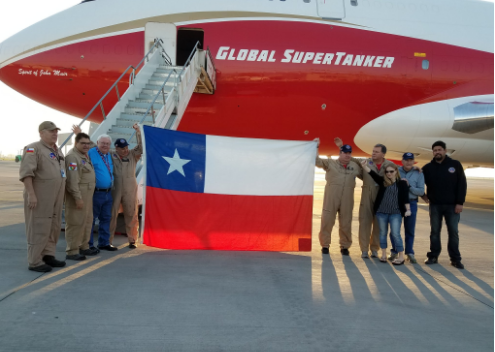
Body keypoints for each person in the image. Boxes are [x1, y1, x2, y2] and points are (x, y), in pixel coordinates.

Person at [334, 138, 394, 258]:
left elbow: (399, 173)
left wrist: (417, 169)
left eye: (376, 152)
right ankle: (364, 250)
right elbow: (351, 159)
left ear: (383, 154)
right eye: (373, 151)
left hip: (382, 196)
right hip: (367, 194)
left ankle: (375, 249)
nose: (373, 153)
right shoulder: (366, 162)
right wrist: (341, 147)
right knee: (364, 223)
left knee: (379, 225)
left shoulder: (389, 165)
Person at [19, 121, 67, 272]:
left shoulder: (57, 151)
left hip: (56, 196)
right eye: (51, 131)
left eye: (56, 131)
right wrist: (31, 195)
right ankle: (34, 261)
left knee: (53, 226)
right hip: (40, 196)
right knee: (39, 226)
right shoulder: (34, 149)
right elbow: (27, 173)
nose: (55, 134)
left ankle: (48, 255)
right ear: (41, 133)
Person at [422, 141, 467, 269]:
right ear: (433, 152)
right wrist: (423, 196)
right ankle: (433, 256)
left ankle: (455, 259)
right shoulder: (427, 168)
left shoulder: (455, 165)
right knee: (435, 231)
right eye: (435, 150)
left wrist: (460, 203)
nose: (437, 152)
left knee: (453, 232)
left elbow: (462, 185)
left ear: (445, 151)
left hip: (452, 206)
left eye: (439, 150)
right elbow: (418, 182)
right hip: (435, 205)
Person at [316, 140, 362, 255]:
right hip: (331, 197)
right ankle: (325, 245)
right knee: (327, 221)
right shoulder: (330, 163)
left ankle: (345, 246)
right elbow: (316, 161)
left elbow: (368, 174)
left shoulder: (355, 166)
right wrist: (316, 147)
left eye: (349, 153)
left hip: (347, 199)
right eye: (345, 152)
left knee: (346, 222)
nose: (347, 155)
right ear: (340, 153)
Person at [361, 161, 411, 265]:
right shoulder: (383, 181)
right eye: (387, 172)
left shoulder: (402, 183)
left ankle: (401, 256)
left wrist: (408, 210)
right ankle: (383, 254)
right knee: (382, 233)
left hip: (396, 213)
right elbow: (372, 174)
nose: (389, 173)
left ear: (396, 171)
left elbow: (406, 198)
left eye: (391, 171)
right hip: (381, 213)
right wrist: (364, 166)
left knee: (396, 234)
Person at [64, 132, 97, 260]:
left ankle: (84, 247)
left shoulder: (84, 156)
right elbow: (72, 181)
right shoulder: (72, 157)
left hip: (88, 196)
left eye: (88, 144)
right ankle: (72, 251)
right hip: (79, 196)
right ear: (76, 143)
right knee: (75, 223)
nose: (86, 146)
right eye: (83, 143)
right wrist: (78, 198)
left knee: (87, 222)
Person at [109, 124, 142, 248]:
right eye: (122, 148)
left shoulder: (133, 155)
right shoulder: (111, 154)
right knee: (112, 214)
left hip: (130, 188)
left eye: (126, 147)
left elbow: (141, 148)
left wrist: (138, 132)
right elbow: (98, 150)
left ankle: (133, 240)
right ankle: (108, 241)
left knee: (131, 213)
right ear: (116, 148)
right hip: (116, 188)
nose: (125, 150)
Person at [388, 152, 425, 263]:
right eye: (406, 160)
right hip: (397, 203)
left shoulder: (418, 173)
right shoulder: (396, 171)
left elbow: (421, 191)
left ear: (413, 161)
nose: (409, 162)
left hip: (412, 203)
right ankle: (394, 251)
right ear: (402, 161)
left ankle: (409, 252)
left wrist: (409, 186)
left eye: (411, 160)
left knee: (410, 229)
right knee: (394, 230)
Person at [88, 134, 118, 251]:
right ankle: (89, 244)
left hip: (108, 193)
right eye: (103, 143)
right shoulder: (91, 153)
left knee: (106, 218)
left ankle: (104, 243)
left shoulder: (109, 155)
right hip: (96, 193)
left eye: (107, 144)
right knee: (91, 219)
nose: (105, 145)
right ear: (97, 142)